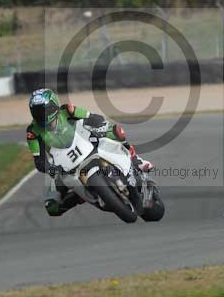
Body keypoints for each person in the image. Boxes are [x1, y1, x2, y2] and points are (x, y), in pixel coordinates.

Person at [26, 88, 154, 217]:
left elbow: (91, 117)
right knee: (52, 207)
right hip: (63, 164)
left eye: (44, 110)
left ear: (54, 106)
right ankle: (80, 196)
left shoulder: (67, 110)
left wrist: (100, 126)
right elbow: (39, 160)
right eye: (36, 111)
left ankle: (136, 160)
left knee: (116, 131)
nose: (41, 115)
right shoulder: (32, 132)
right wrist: (52, 169)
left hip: (85, 142)